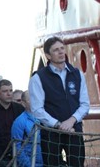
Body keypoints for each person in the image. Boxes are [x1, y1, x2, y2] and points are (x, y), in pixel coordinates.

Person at [28, 36, 90, 167]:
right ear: (48, 55)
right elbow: (37, 109)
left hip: (74, 130)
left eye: (62, 48)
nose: (61, 52)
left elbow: (84, 104)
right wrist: (58, 125)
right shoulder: (38, 78)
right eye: (56, 50)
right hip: (51, 134)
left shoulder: (77, 74)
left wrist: (71, 121)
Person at [0, 79, 25, 165]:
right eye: (5, 91)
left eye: (10, 90)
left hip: (17, 152)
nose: (9, 94)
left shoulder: (20, 109)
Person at [11, 90, 43, 167]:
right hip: (31, 163)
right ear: (23, 103)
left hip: (47, 160)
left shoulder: (45, 118)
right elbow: (16, 147)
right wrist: (28, 165)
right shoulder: (19, 121)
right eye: (30, 99)